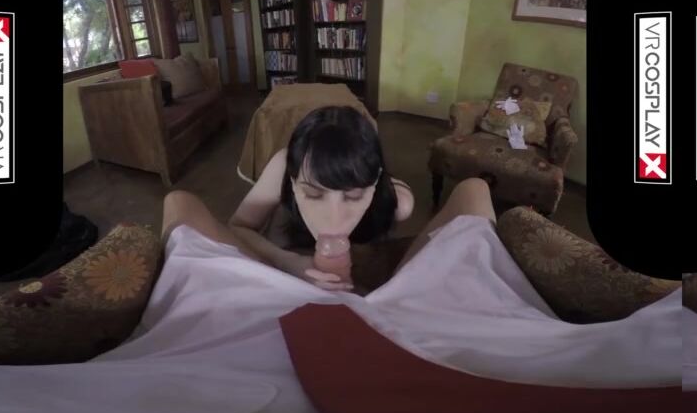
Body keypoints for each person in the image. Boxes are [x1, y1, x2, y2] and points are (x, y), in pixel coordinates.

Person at [161, 105, 468, 293]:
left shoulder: (398, 203)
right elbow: (238, 226)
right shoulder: (283, 167)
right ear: (294, 181)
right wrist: (286, 261)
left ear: (374, 183)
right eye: (312, 193)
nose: (332, 220)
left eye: (353, 196)